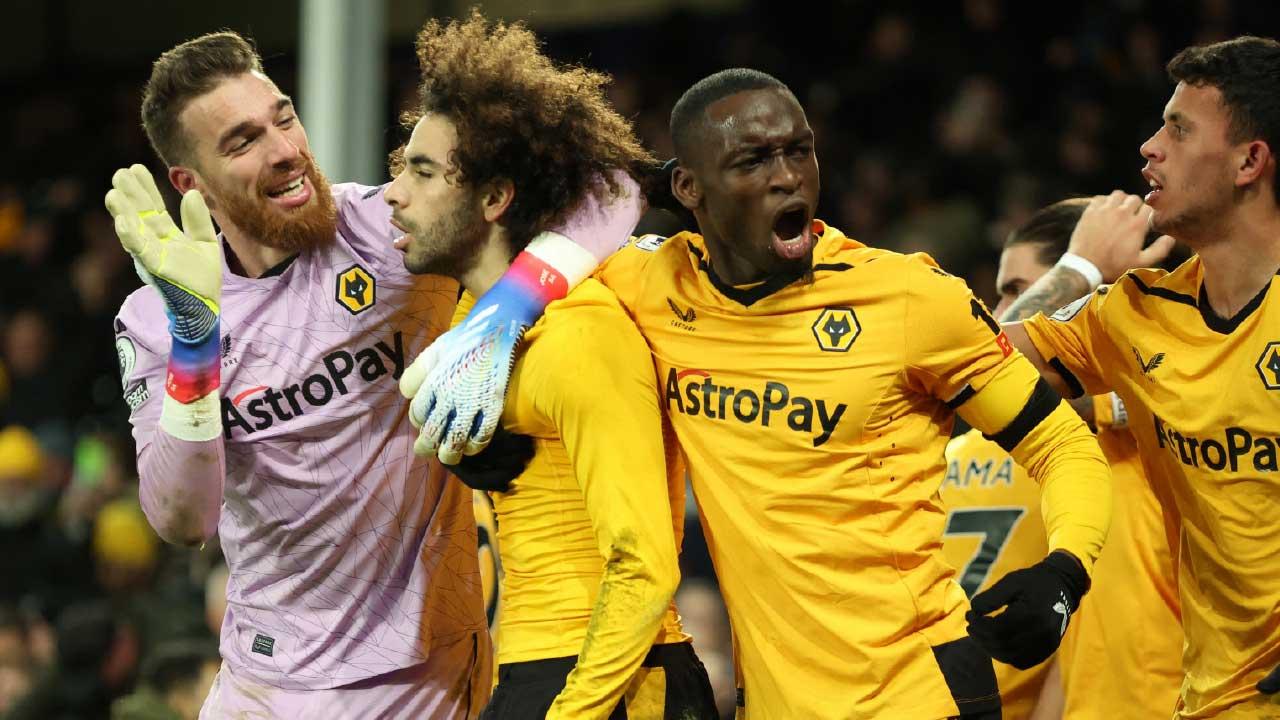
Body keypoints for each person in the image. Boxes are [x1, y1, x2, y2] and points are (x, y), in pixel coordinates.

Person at [103, 30, 627, 717]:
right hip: (262, 677)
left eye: (283, 118)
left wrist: (506, 312)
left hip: (416, 670)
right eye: (242, 142)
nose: (285, 150)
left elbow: (610, 189)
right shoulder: (157, 317)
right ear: (190, 183)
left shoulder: (390, 229)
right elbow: (183, 518)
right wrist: (195, 343)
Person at [580, 68, 1114, 718]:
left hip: (920, 695)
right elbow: (542, 224)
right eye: (753, 160)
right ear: (688, 186)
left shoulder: (908, 298)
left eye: (799, 151)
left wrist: (1064, 571)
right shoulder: (651, 284)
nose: (788, 177)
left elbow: (1062, 444)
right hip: (772, 704)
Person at [392, 13, 717, 719]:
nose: (394, 193)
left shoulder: (581, 336)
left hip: (615, 682)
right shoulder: (468, 326)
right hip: (536, 669)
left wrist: (570, 713)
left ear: (494, 198)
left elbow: (645, 566)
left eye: (422, 172)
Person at [999, 35, 1280, 718]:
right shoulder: (1134, 314)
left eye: (1179, 130)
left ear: (1249, 161)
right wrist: (1079, 269)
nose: (1150, 147)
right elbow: (975, 362)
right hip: (1210, 701)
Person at [943, 198, 1184, 719]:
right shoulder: (1080, 452)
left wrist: (1081, 269)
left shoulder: (1167, 410)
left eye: (1017, 290)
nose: (1000, 312)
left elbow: (978, 361)